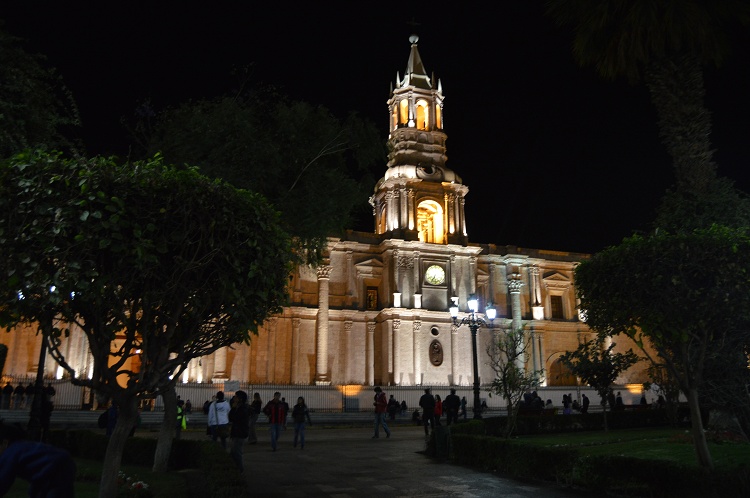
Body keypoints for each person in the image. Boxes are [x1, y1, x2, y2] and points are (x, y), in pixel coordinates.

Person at [0, 422, 76, 497]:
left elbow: (4, 480)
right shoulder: (24, 446)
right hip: (61, 462)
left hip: (55, 468)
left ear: (5, 442)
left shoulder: (11, 453)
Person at [228, 390, 251, 471]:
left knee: (237, 452)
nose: (234, 398)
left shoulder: (242, 409)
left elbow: (233, 418)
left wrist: (233, 408)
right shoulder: (240, 407)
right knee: (233, 452)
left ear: (240, 399)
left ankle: (240, 469)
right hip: (238, 432)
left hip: (239, 433)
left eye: (236, 397)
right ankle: (233, 468)